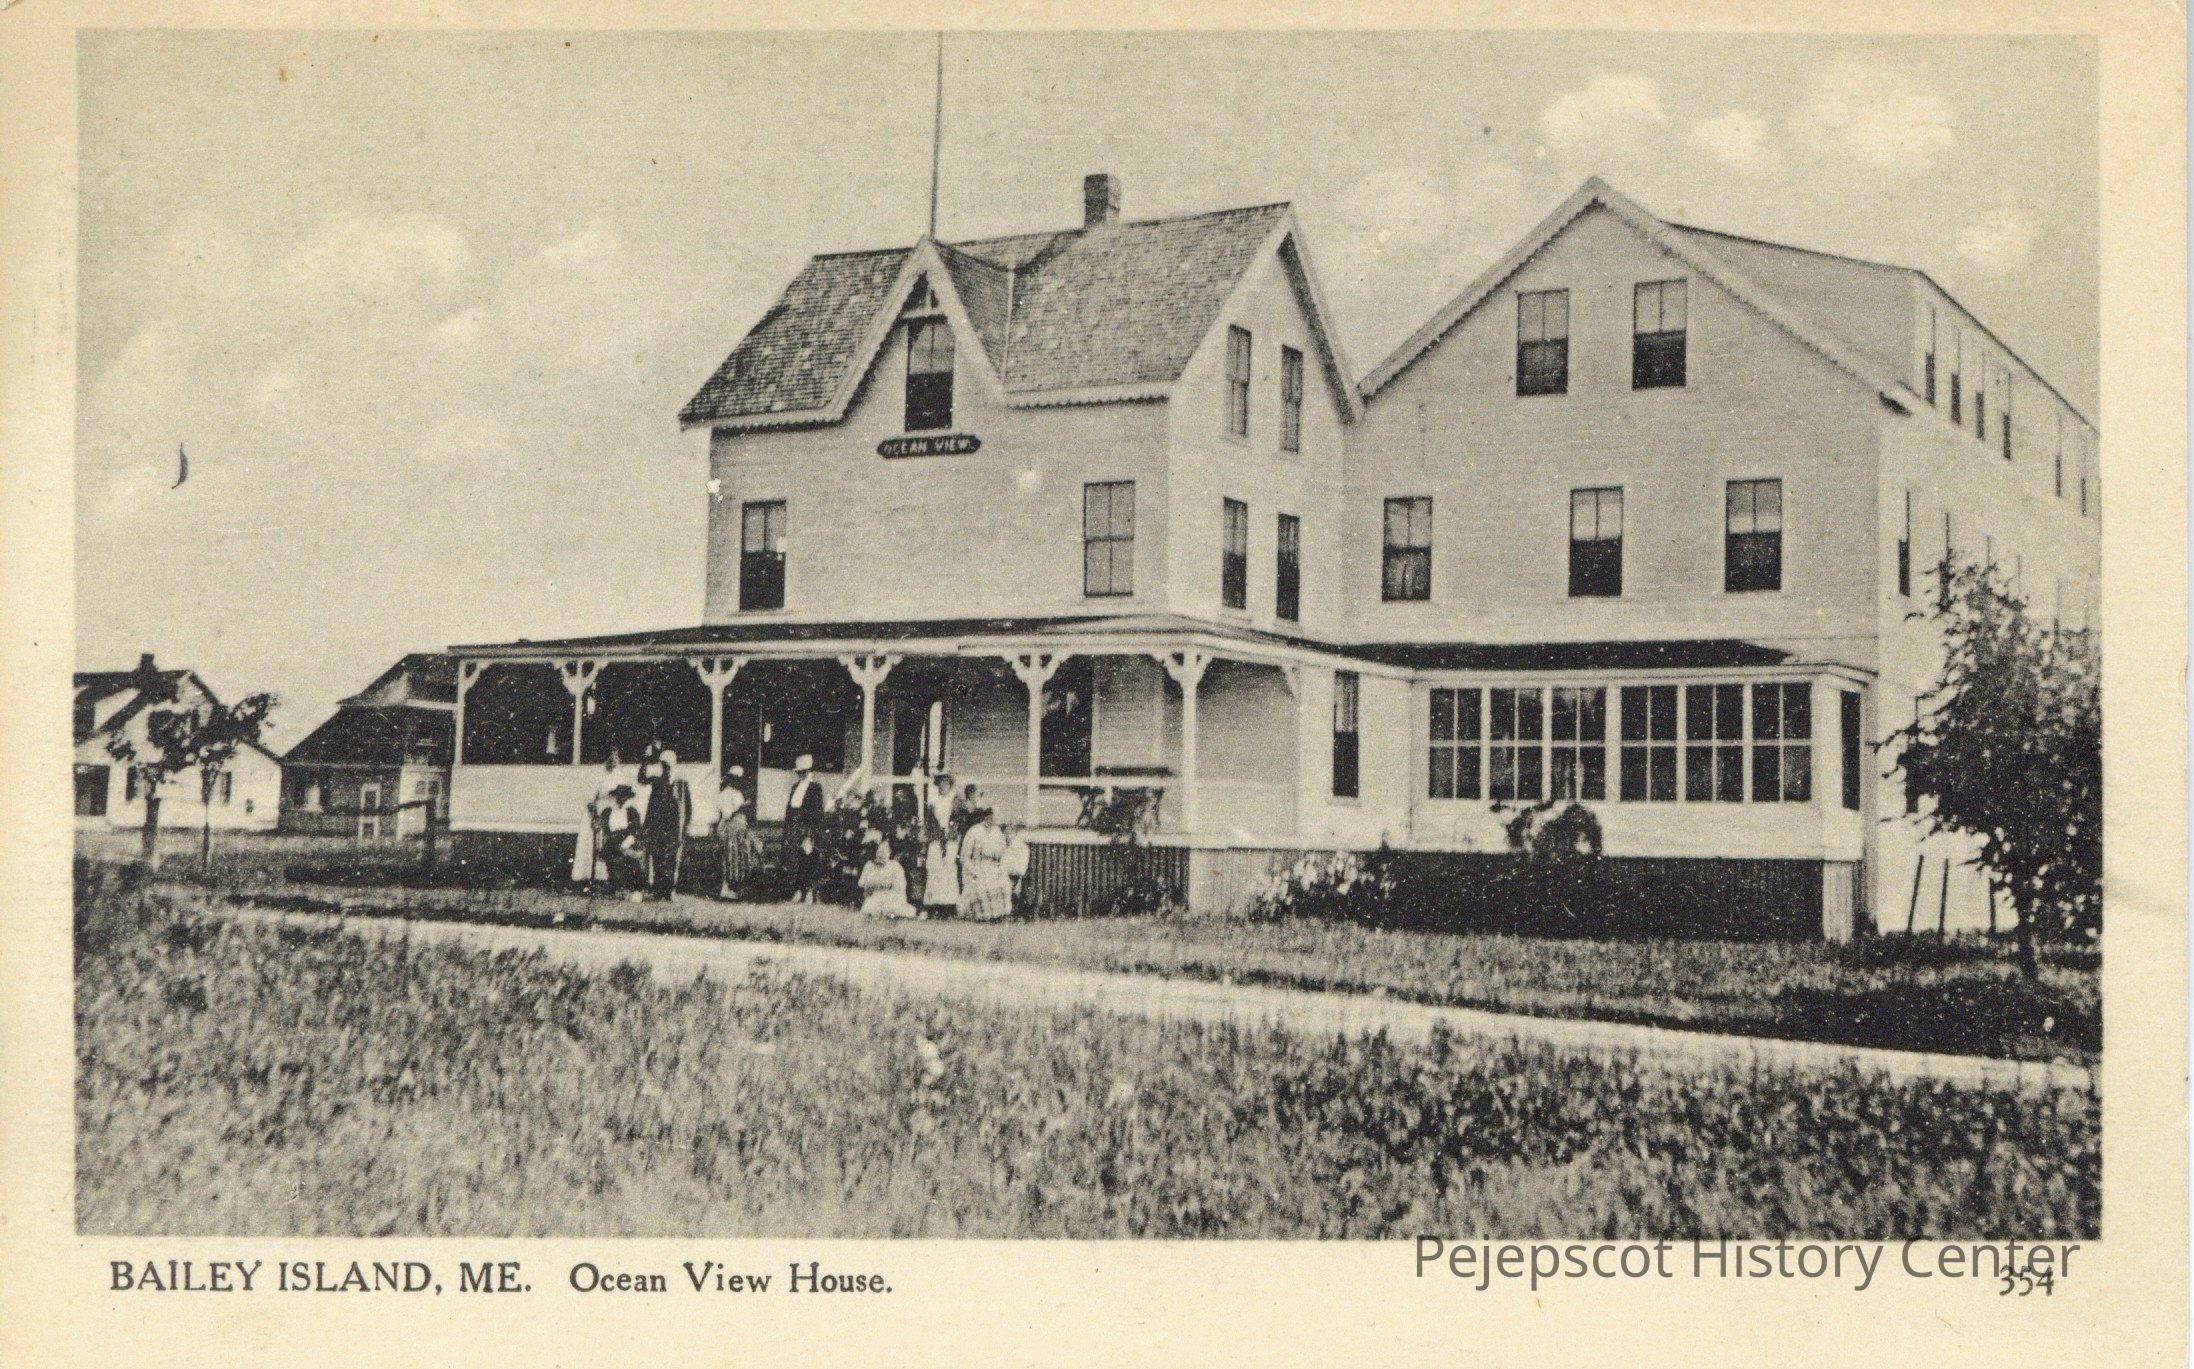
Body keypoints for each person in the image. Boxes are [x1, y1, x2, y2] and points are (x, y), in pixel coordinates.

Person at [641, 748, 693, 900]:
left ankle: (668, 890)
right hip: (658, 826)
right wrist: (646, 759)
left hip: (673, 827)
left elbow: (687, 807)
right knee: (657, 857)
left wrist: (686, 825)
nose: (666, 768)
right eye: (663, 765)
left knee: (671, 858)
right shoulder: (657, 781)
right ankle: (659, 890)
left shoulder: (681, 784)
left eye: (668, 765)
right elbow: (642, 779)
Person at [572, 752, 624, 888]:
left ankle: (607, 878)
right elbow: (590, 801)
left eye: (616, 758)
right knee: (592, 844)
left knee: (609, 843)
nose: (613, 761)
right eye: (611, 758)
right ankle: (587, 877)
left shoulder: (618, 776)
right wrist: (596, 817)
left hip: (611, 816)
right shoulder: (598, 776)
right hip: (597, 814)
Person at [782, 753, 827, 903]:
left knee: (808, 858)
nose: (801, 775)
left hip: (807, 828)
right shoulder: (795, 787)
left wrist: (810, 835)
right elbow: (790, 810)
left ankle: (808, 891)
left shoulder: (815, 788)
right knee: (794, 859)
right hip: (793, 827)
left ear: (809, 772)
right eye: (799, 772)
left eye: (803, 772)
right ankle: (797, 890)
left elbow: (817, 812)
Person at [958, 807, 1013, 922]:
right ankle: (983, 915)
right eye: (988, 817)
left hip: (993, 866)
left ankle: (999, 915)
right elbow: (965, 857)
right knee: (982, 883)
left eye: (993, 818)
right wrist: (974, 870)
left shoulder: (997, 831)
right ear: (984, 817)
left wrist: (1000, 864)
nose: (991, 820)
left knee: (1003, 882)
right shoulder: (974, 831)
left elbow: (1003, 852)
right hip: (977, 866)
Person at [921, 771, 961, 915]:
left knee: (949, 869)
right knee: (935, 869)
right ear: (937, 785)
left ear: (950, 786)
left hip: (950, 840)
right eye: (941, 783)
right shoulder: (933, 803)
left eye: (946, 783)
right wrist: (935, 834)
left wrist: (951, 831)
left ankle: (949, 906)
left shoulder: (954, 803)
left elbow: (958, 822)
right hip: (936, 840)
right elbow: (929, 824)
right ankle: (933, 905)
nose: (943, 786)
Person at [716, 765, 758, 899]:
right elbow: (728, 814)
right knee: (731, 857)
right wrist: (741, 807)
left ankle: (735, 888)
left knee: (737, 858)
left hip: (737, 829)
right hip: (730, 829)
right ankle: (727, 887)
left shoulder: (734, 793)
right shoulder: (727, 794)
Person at [600, 784, 646, 898]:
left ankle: (632, 887)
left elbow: (635, 830)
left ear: (627, 798)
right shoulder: (608, 811)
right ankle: (616, 886)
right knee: (612, 853)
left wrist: (626, 844)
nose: (621, 799)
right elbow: (605, 830)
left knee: (630, 855)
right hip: (612, 841)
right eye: (619, 796)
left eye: (624, 796)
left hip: (627, 839)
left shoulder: (631, 811)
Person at [858, 840, 918, 918]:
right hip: (875, 896)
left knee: (894, 910)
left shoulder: (895, 866)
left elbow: (900, 888)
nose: (881, 855)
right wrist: (873, 886)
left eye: (884, 851)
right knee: (870, 909)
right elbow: (862, 883)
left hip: (891, 897)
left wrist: (885, 887)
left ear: (889, 853)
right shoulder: (869, 865)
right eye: (879, 851)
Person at [1002, 822, 1032, 915]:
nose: (1007, 836)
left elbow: (1021, 869)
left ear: (1014, 833)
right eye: (1005, 833)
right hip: (1005, 874)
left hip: (1016, 876)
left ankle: (1008, 911)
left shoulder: (1021, 847)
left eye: (1009, 833)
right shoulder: (1004, 846)